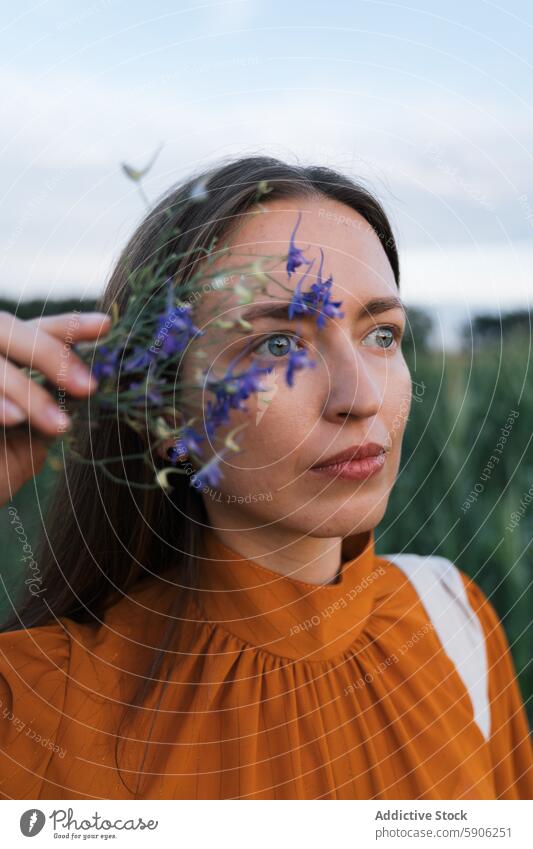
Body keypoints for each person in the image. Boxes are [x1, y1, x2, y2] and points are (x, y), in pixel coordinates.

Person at [0, 156, 531, 800]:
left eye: (382, 335)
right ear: (167, 414)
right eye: (278, 344)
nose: (359, 396)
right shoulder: (37, 703)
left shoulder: (455, 623)